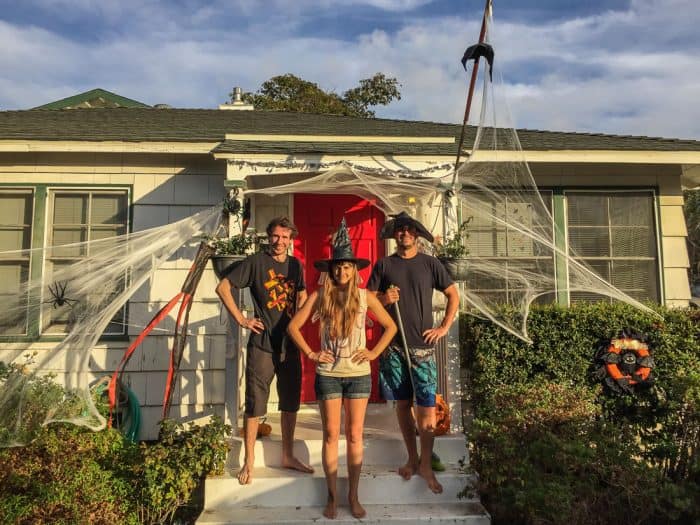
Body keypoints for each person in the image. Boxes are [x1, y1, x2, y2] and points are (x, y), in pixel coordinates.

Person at [287, 218, 397, 520]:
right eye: (337, 266)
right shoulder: (320, 296)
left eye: (347, 266)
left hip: (358, 375)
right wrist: (311, 352)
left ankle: (354, 495)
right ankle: (333, 497)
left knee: (355, 435)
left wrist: (373, 352)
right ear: (330, 269)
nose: (341, 271)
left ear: (354, 270)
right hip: (329, 376)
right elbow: (294, 327)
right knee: (331, 436)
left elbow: (390, 326)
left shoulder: (365, 297)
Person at [215, 216, 313, 485]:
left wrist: (302, 316)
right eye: (275, 236)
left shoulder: (296, 265)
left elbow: (302, 293)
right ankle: (248, 461)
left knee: (290, 401)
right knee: (255, 403)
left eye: (285, 237)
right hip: (263, 344)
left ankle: (288, 455)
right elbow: (223, 287)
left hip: (290, 344)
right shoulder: (255, 263)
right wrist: (242, 319)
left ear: (291, 240)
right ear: (268, 237)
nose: (280, 242)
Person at [367, 211, 460, 494]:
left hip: (422, 349)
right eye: (399, 230)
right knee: (402, 405)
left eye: (409, 230)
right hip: (394, 348)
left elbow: (453, 294)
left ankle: (426, 466)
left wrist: (444, 327)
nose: (404, 234)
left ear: (416, 234)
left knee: (427, 407)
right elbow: (366, 300)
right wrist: (384, 298)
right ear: (395, 234)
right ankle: (412, 458)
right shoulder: (384, 265)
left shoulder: (430, 264)